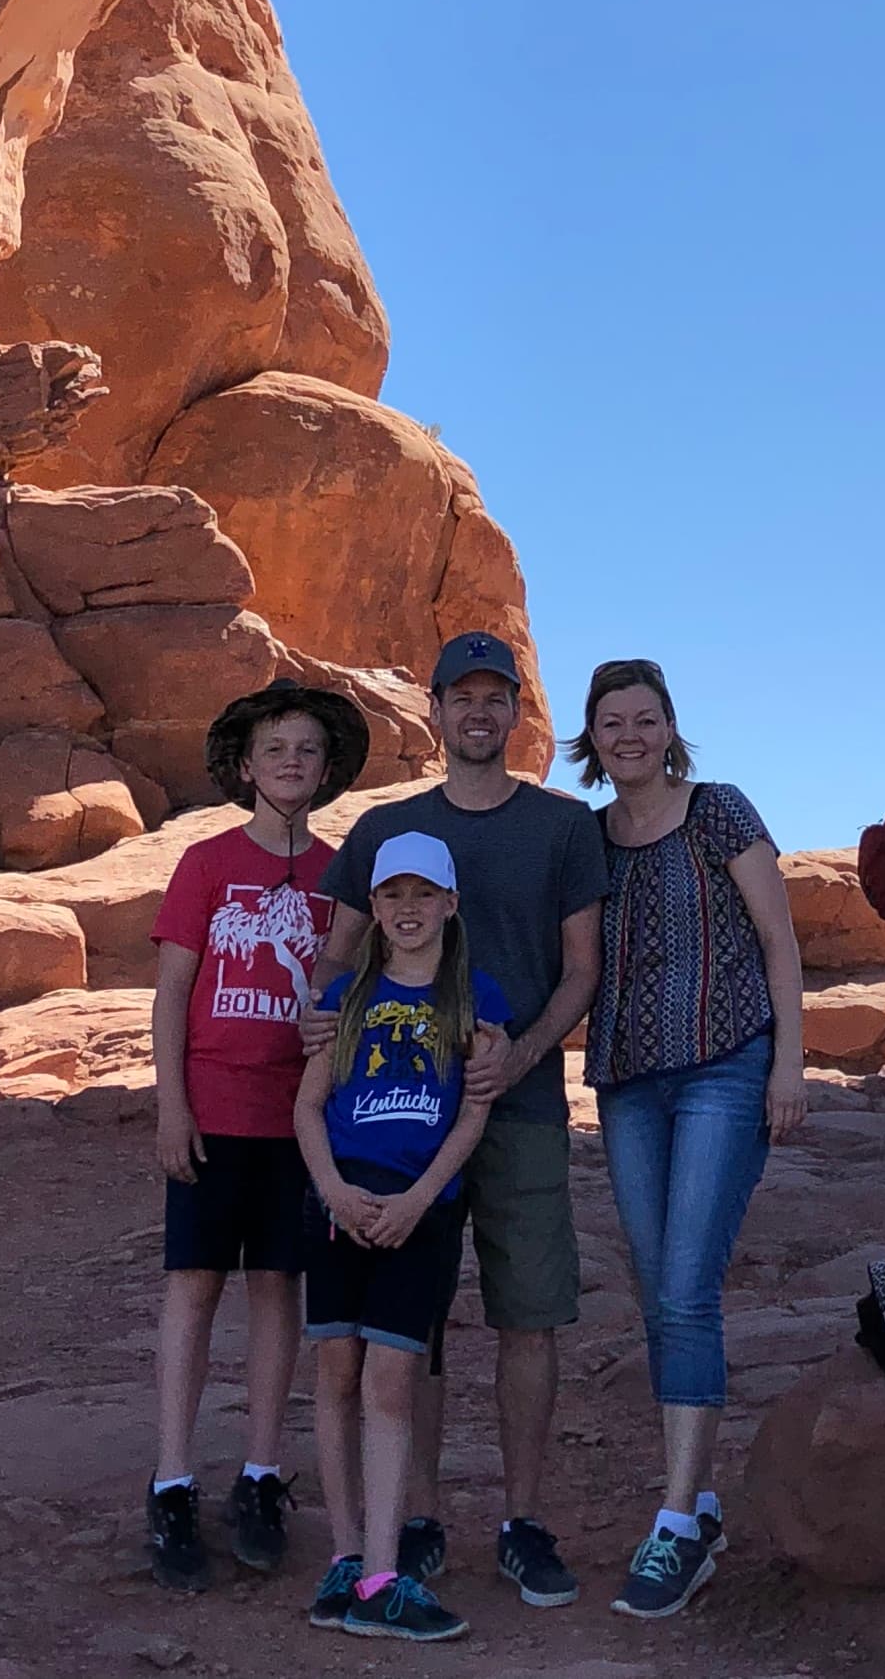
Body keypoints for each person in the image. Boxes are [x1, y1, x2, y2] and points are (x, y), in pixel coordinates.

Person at [305, 632, 608, 1609]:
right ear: (432, 711)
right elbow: (335, 960)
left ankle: (521, 1521)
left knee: (527, 1317)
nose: (477, 714)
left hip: (514, 1113)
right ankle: (417, 1517)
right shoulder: (382, 831)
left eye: (494, 698)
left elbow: (580, 972)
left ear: (515, 712)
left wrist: (517, 1058)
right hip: (396, 1130)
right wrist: (325, 1032)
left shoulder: (563, 829)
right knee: (410, 1329)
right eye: (460, 698)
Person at [570, 659, 807, 1621]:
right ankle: (698, 1497)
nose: (629, 734)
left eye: (645, 718)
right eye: (612, 721)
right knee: (651, 1282)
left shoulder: (720, 810)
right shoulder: (590, 840)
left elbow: (781, 940)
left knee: (684, 1286)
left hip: (724, 1066)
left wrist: (791, 1064)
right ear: (592, 737)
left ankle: (675, 1524)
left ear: (672, 728)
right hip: (627, 1081)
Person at [146, 679, 371, 1591]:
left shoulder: (340, 876)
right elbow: (171, 990)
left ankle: (261, 1472)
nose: (291, 763)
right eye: (275, 748)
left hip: (298, 1119)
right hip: (214, 1107)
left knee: (280, 1286)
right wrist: (172, 1104)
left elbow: (352, 990)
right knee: (194, 1285)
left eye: (308, 751)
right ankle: (169, 1480)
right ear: (246, 765)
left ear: (326, 770)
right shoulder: (205, 864)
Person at [295, 833, 512, 1643]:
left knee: (391, 1378)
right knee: (335, 1371)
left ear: (450, 904)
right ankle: (347, 1557)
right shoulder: (349, 995)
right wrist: (331, 1189)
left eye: (425, 895)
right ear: (375, 908)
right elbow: (308, 1103)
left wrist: (422, 1197)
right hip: (342, 1199)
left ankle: (384, 1571)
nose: (409, 909)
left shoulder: (474, 997)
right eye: (393, 896)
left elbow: (473, 1111)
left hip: (419, 1208)